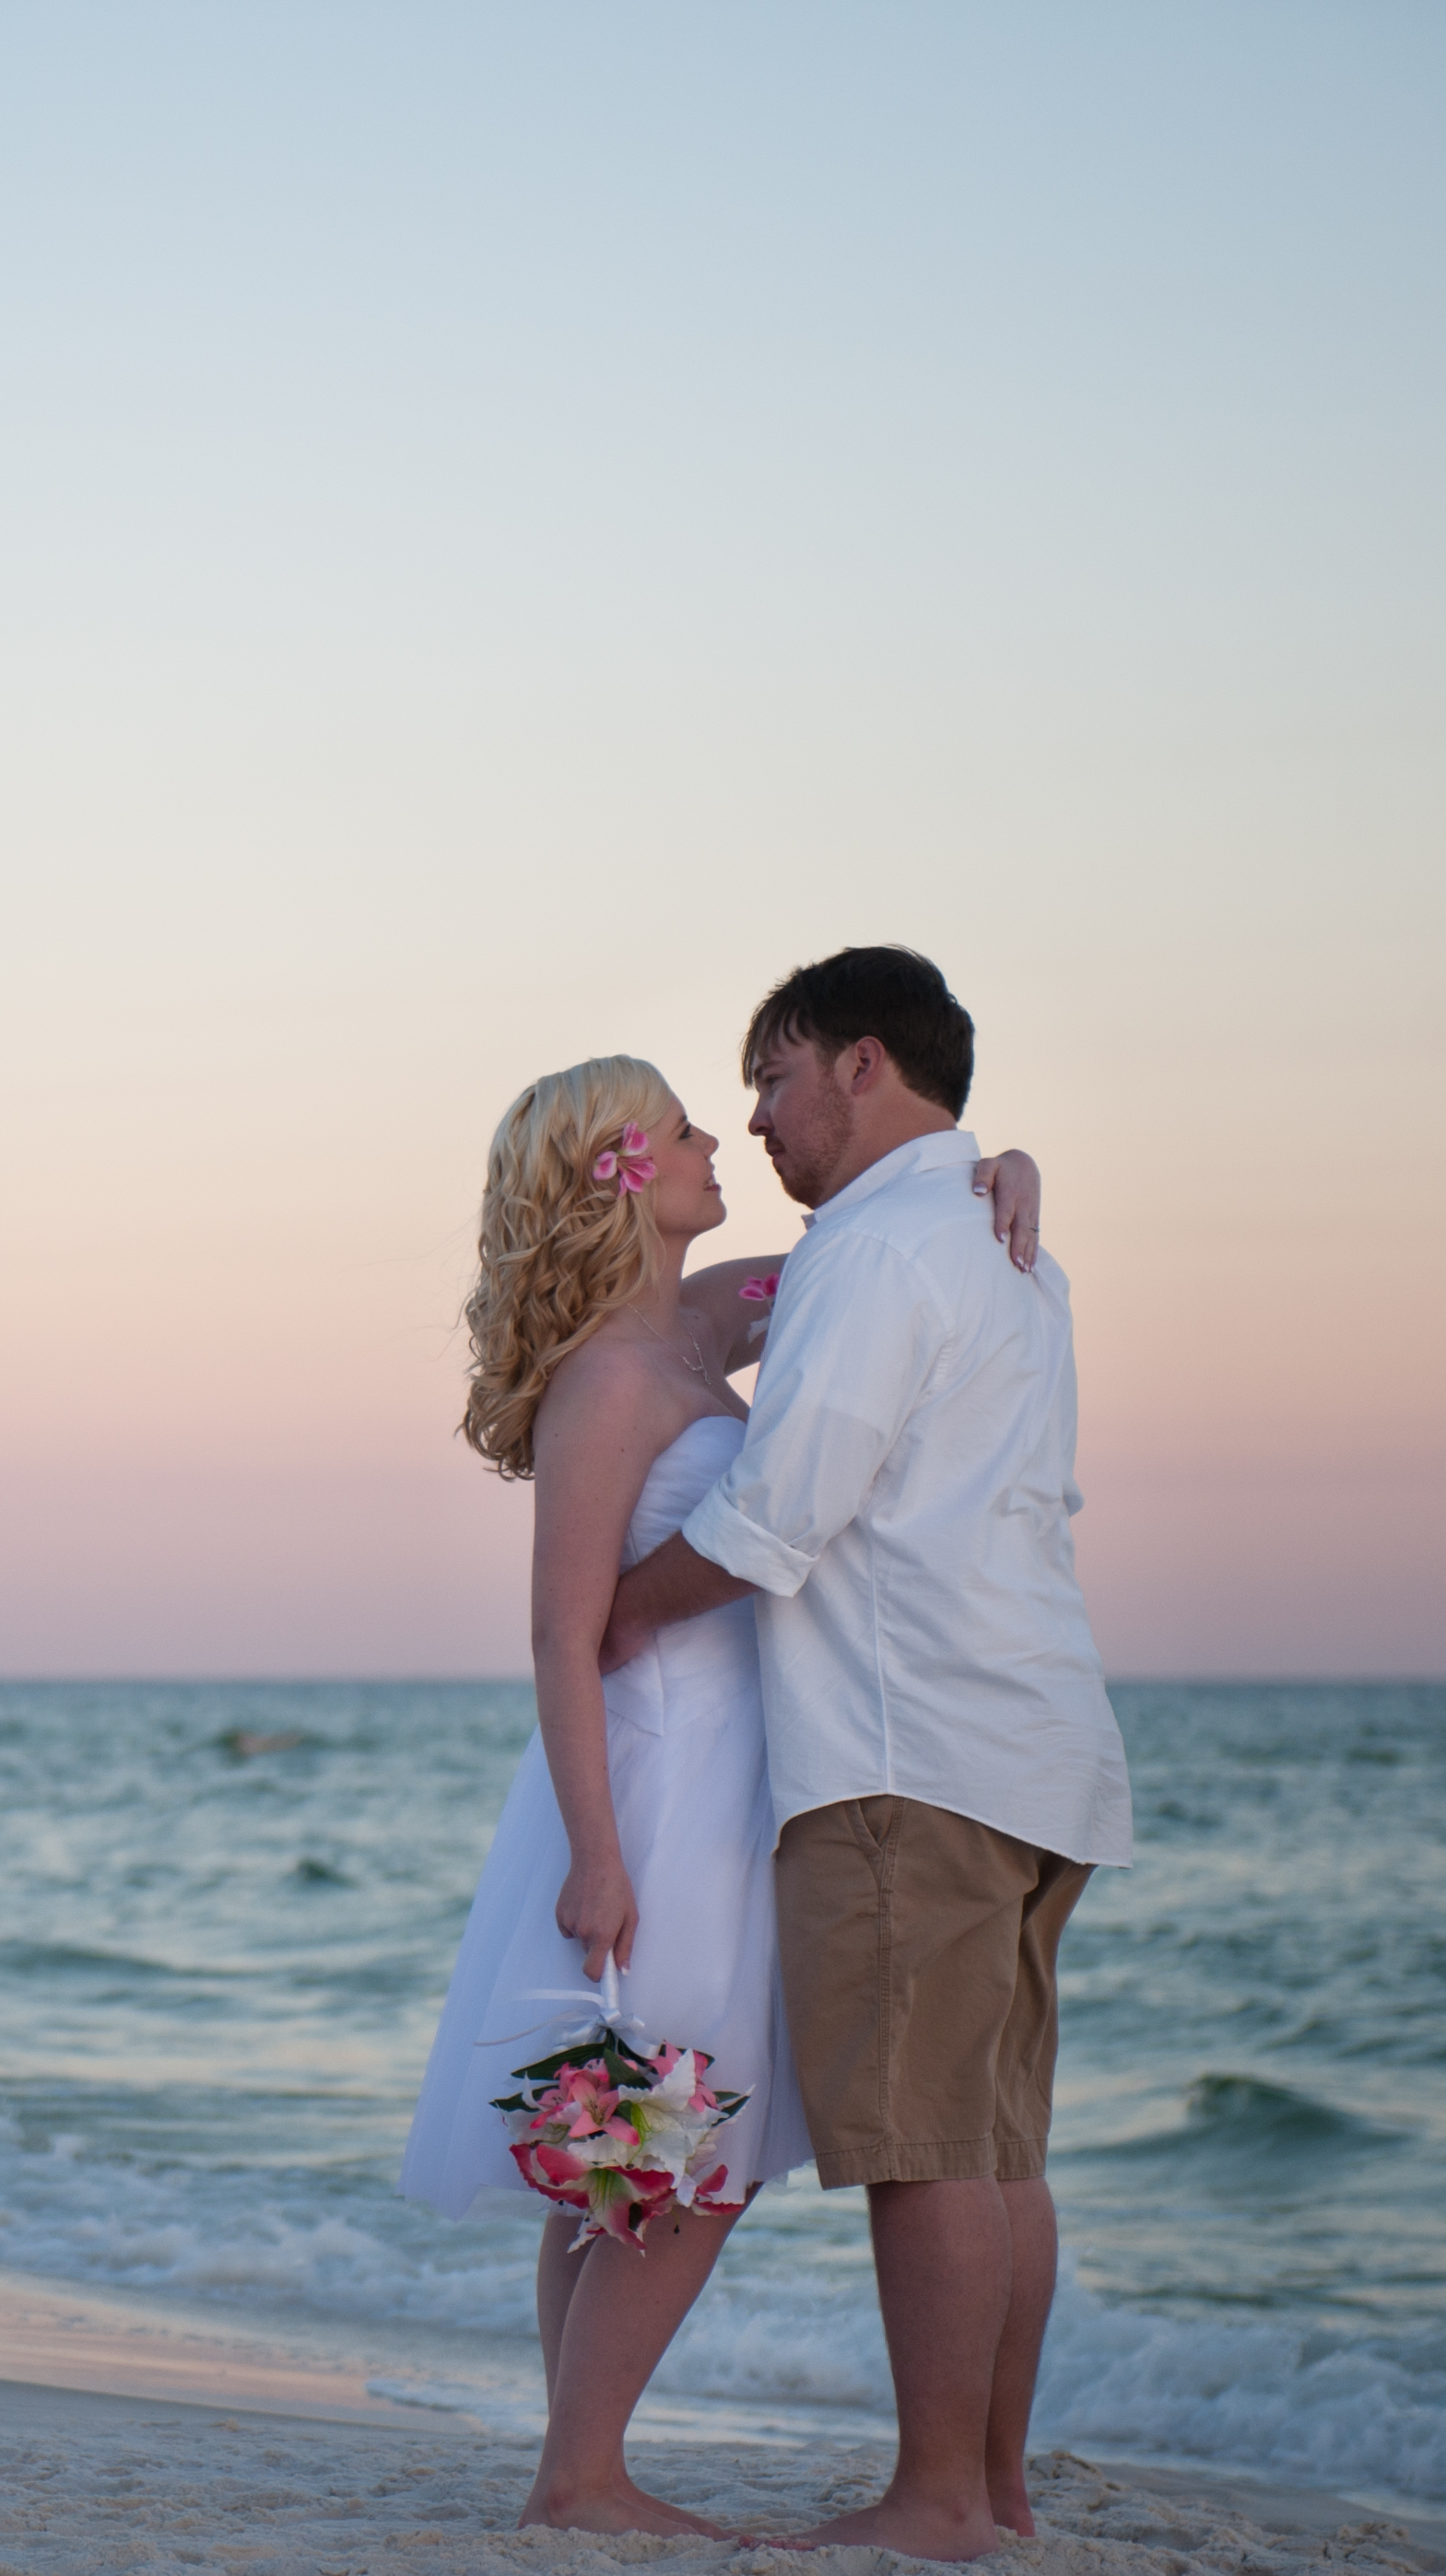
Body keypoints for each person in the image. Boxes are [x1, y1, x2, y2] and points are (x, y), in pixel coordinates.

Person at [395, 1051, 1041, 2538]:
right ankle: (584, 2475)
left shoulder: (695, 1326)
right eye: (684, 1127)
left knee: (625, 2137)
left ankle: (576, 2466)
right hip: (661, 1788)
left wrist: (1002, 1173)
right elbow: (565, 1633)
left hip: (733, 1777)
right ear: (621, 1172)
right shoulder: (612, 1383)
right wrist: (598, 1857)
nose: (717, 1141)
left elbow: (859, 1256)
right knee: (688, 2144)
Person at [597, 946, 1132, 2562]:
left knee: (918, 2155)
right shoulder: (1005, 1247)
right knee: (995, 2150)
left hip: (910, 1755)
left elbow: (777, 1519)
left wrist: (613, 1610)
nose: (754, 1116)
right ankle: (997, 2496)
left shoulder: (882, 1250)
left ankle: (938, 2502)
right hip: (1037, 1749)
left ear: (863, 1066)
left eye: (771, 1074)